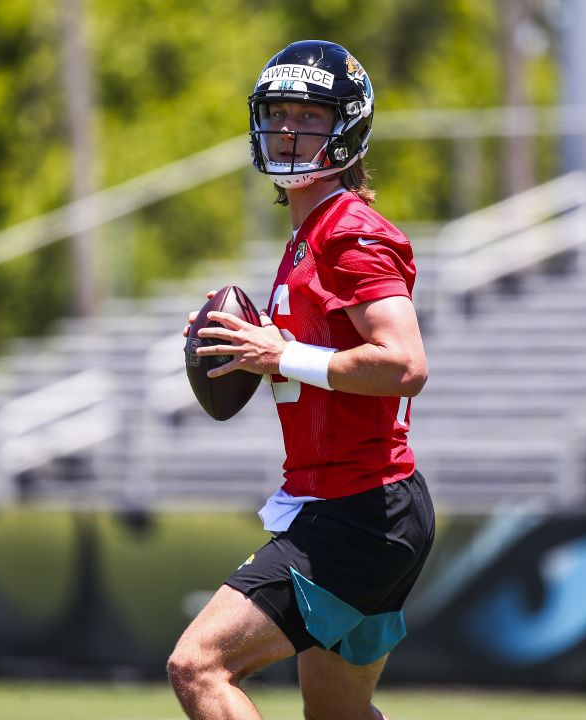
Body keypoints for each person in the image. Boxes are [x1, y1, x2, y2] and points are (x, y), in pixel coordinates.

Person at [170, 40, 434, 720]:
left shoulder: (349, 233)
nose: (289, 129)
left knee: (199, 666)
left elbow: (405, 365)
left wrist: (279, 355)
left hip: (359, 510)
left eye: (309, 116)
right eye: (280, 113)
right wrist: (237, 349)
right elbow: (306, 360)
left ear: (346, 127)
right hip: (357, 505)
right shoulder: (309, 236)